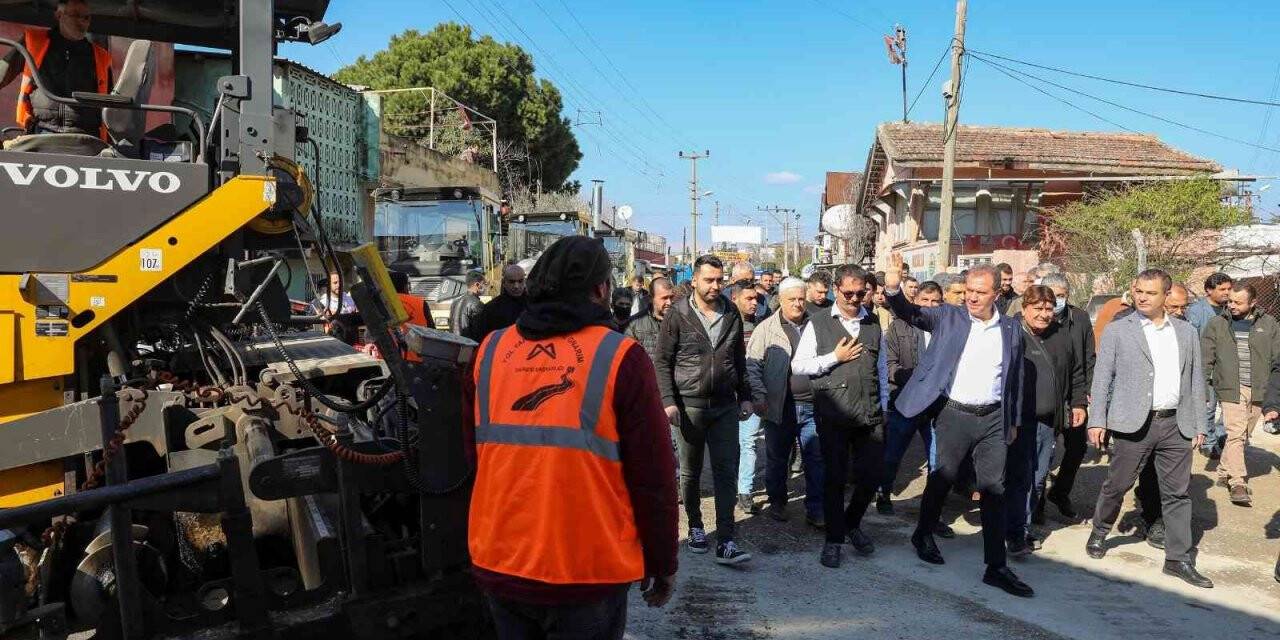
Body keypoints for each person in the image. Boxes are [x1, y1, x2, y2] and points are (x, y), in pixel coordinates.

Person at [468, 237, 678, 639]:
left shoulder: (491, 351)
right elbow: (654, 475)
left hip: (501, 562)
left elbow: (471, 455)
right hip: (586, 571)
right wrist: (662, 560)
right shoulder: (620, 357)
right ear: (601, 290)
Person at [884, 261, 1034, 598]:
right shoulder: (948, 316)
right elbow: (910, 313)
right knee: (943, 477)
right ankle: (923, 533)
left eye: (980, 293)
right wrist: (893, 287)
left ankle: (996, 566)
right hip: (955, 414)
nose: (972, 298)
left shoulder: (1011, 329)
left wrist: (1014, 421)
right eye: (968, 292)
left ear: (997, 293)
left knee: (994, 487)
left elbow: (1016, 379)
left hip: (995, 418)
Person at [1086, 269, 1213, 589]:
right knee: (1118, 484)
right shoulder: (1119, 330)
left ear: (1166, 296)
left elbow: (1195, 380)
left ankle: (1178, 558)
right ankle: (1100, 531)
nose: (1142, 297)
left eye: (1150, 293)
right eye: (1138, 291)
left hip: (1176, 423)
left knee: (1177, 493)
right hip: (1132, 423)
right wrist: (1097, 419)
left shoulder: (1185, 332)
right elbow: (1102, 379)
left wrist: (1200, 423)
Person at [656, 255, 754, 565]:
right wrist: (668, 400)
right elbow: (662, 361)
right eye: (709, 280)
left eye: (719, 280)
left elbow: (740, 360)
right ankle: (697, 526)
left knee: (726, 471)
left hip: (725, 406)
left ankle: (726, 539)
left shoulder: (731, 314)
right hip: (689, 407)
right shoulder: (678, 315)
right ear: (695, 281)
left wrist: (746, 395)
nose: (715, 286)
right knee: (691, 471)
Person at [791, 265, 884, 569]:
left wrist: (885, 403)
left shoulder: (872, 322)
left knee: (871, 477)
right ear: (835, 290)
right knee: (834, 479)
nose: (855, 298)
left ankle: (851, 522)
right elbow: (799, 366)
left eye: (861, 293)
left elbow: (880, 369)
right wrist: (835, 358)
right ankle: (834, 539)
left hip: (869, 413)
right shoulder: (817, 323)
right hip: (833, 412)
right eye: (849, 293)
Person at [1006, 286, 1087, 558]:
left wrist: (1078, 403)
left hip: (1046, 423)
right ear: (1024, 308)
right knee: (1017, 477)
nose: (1043, 315)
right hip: (1015, 420)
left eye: (1049, 309)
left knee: (1037, 478)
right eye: (1038, 308)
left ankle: (1022, 527)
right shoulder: (1009, 332)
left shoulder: (1060, 335)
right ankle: (1013, 531)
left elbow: (1076, 372)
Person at [747, 277, 825, 527]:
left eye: (802, 298)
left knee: (815, 459)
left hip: (813, 405)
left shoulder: (818, 324)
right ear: (780, 300)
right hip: (778, 406)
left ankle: (815, 508)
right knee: (777, 458)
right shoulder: (766, 329)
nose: (798, 304)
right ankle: (778, 502)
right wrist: (760, 396)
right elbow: (752, 366)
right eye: (792, 299)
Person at [878, 281, 952, 529]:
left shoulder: (949, 328)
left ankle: (933, 512)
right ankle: (883, 493)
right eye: (925, 301)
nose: (930, 306)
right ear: (916, 302)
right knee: (892, 455)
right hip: (907, 401)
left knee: (937, 460)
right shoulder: (900, 327)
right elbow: (888, 363)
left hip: (939, 405)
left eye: (935, 302)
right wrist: (909, 377)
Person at [1202, 281, 1279, 506]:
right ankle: (1237, 482)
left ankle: (1224, 470)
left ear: (1253, 302)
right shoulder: (1217, 324)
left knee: (1243, 434)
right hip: (1230, 387)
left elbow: (1277, 359)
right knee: (1235, 432)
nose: (1231, 305)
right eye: (1230, 300)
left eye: (1238, 302)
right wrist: (1202, 388)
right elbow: (1206, 358)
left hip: (1259, 388)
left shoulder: (1269, 323)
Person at [0, 0, 111, 138]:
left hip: (85, 136)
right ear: (59, 15)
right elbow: (2, 74)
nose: (82, 21)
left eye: (86, 17)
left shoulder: (101, 57)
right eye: (76, 15)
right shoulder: (33, 42)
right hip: (41, 131)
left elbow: (111, 105)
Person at [1037, 273, 1095, 522]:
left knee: (1076, 447)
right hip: (1046, 397)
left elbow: (1088, 357)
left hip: (1074, 394)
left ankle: (1060, 492)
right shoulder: (1036, 319)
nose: (1056, 301)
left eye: (1061, 295)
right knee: (1043, 453)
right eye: (1052, 295)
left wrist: (1084, 396)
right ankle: (1035, 505)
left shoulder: (1079, 317)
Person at [1188, 272, 1234, 459]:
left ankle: (1221, 435)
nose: (1227, 293)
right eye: (1222, 289)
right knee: (1208, 405)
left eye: (1229, 289)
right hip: (1205, 366)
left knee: (1229, 406)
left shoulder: (1231, 309)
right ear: (1209, 290)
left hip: (1227, 367)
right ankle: (1208, 442)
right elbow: (1192, 339)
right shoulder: (1197, 311)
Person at [728, 283, 763, 513]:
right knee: (730, 445)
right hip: (726, 392)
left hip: (752, 392)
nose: (754, 303)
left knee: (748, 442)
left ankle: (745, 491)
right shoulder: (725, 324)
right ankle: (729, 487)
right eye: (749, 298)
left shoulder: (761, 326)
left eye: (756, 299)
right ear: (735, 298)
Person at [466, 264, 527, 344]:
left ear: (524, 281)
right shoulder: (491, 309)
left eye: (520, 281)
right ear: (504, 283)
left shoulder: (534, 306)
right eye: (512, 282)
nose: (516, 286)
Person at [625, 277, 674, 363]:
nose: (669, 302)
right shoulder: (634, 325)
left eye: (671, 297)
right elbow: (630, 360)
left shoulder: (680, 321)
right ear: (651, 298)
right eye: (664, 298)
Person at [449, 271, 487, 338]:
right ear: (477, 285)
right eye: (484, 284)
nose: (485, 287)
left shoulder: (455, 302)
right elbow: (479, 331)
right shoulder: (477, 304)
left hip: (454, 343)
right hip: (469, 345)